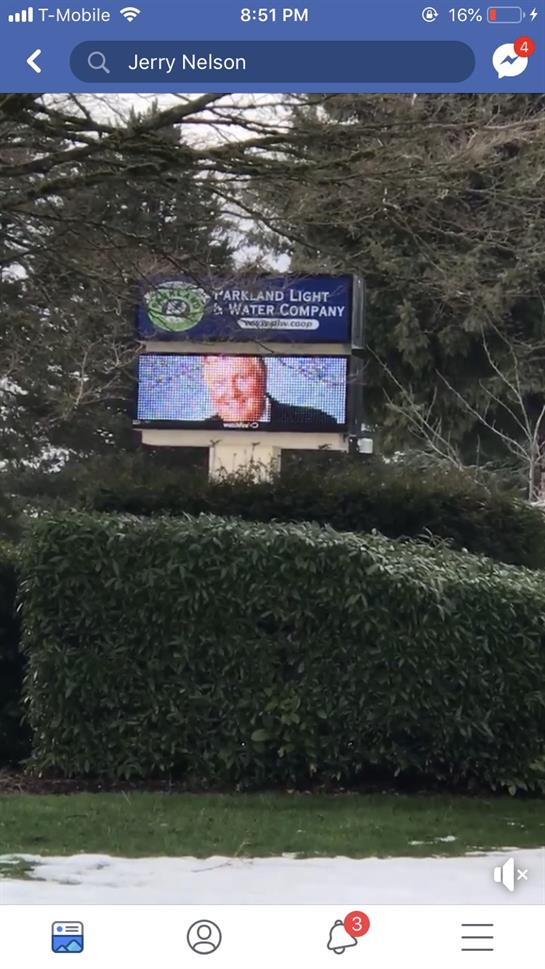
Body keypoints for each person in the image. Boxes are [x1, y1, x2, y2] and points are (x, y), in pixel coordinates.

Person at [201, 355, 339, 429]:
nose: (232, 393)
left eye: (242, 379)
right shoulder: (202, 432)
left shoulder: (315, 422)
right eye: (219, 383)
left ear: (263, 378)